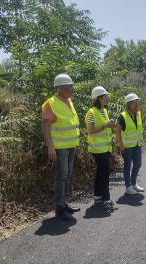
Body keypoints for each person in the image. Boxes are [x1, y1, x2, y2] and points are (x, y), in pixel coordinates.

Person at [42, 73, 81, 221]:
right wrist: (50, 147)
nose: (73, 88)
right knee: (61, 176)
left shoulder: (69, 101)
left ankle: (64, 204)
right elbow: (45, 127)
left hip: (71, 145)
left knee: (67, 175)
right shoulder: (51, 103)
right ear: (62, 87)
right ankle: (59, 208)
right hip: (60, 147)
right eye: (71, 86)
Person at [85, 86, 117, 211]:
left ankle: (98, 197)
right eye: (106, 96)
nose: (108, 98)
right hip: (98, 149)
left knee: (100, 173)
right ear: (100, 98)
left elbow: (104, 127)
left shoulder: (104, 110)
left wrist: (110, 124)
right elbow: (91, 130)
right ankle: (106, 200)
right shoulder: (91, 112)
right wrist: (106, 125)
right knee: (104, 175)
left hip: (105, 147)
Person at [116, 93, 144, 195]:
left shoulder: (139, 114)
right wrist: (121, 146)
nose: (137, 105)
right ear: (128, 105)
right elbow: (117, 132)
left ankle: (134, 183)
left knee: (138, 164)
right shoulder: (122, 117)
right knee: (127, 167)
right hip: (127, 147)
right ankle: (128, 187)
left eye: (137, 102)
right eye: (134, 103)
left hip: (137, 145)